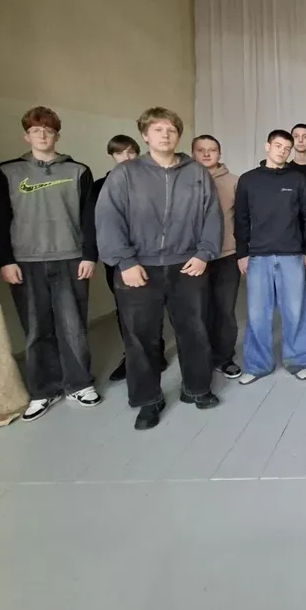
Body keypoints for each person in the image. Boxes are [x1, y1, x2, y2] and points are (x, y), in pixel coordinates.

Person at [96, 107, 223, 430]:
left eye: (171, 130)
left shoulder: (197, 173)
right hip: (139, 268)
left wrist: (204, 253)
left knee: (194, 330)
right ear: (144, 135)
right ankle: (147, 400)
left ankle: (197, 388)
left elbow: (212, 215)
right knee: (141, 338)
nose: (165, 135)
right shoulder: (125, 174)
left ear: (178, 135)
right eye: (157, 129)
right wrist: (125, 262)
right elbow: (109, 218)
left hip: (188, 265)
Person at [0, 106, 101, 422]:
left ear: (57, 135)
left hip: (71, 259)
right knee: (36, 329)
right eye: (36, 130)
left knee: (73, 326)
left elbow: (89, 218)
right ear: (26, 136)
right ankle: (43, 390)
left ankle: (79, 384)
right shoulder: (8, 171)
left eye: (48, 130)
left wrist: (89, 255)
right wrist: (5, 261)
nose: (42, 135)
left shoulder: (78, 171)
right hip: (26, 263)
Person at [236, 129, 306, 385]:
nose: (282, 151)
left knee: (295, 310)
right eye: (278, 146)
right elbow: (241, 219)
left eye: (287, 148)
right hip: (258, 256)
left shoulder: (297, 179)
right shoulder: (248, 180)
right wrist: (242, 253)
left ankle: (298, 361)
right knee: (258, 313)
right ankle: (257, 365)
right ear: (267, 146)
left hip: (292, 254)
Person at [94, 135, 168, 383]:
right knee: (126, 311)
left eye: (130, 152)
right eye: (119, 153)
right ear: (112, 156)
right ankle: (132, 357)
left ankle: (156, 351)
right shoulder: (100, 185)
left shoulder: (154, 182)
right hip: (119, 261)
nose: (126, 157)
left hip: (151, 256)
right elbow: (96, 224)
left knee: (154, 308)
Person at [191, 135, 243, 379]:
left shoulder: (234, 182)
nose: (206, 154)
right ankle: (201, 358)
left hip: (226, 256)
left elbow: (243, 220)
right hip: (192, 258)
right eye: (201, 150)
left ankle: (224, 358)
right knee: (197, 312)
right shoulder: (184, 180)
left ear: (219, 154)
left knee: (224, 311)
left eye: (212, 150)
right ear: (193, 153)